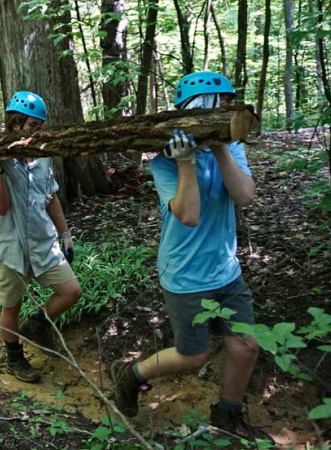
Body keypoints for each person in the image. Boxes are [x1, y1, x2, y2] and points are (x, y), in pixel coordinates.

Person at [108, 71, 271, 442]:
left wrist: (219, 146)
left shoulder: (233, 147)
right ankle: (132, 375)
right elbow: (189, 215)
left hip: (226, 269)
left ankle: (227, 416)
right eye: (222, 104)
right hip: (185, 274)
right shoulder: (164, 161)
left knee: (246, 346)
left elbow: (245, 196)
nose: (228, 110)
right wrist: (186, 163)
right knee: (193, 356)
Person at [0, 91, 83, 383]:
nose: (37, 132)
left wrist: (65, 234)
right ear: (14, 124)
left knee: (71, 291)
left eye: (40, 126)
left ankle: (37, 325)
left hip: (43, 242)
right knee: (10, 306)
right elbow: (0, 206)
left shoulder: (43, 157)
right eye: (31, 126)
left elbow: (50, 197)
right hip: (9, 246)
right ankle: (14, 357)